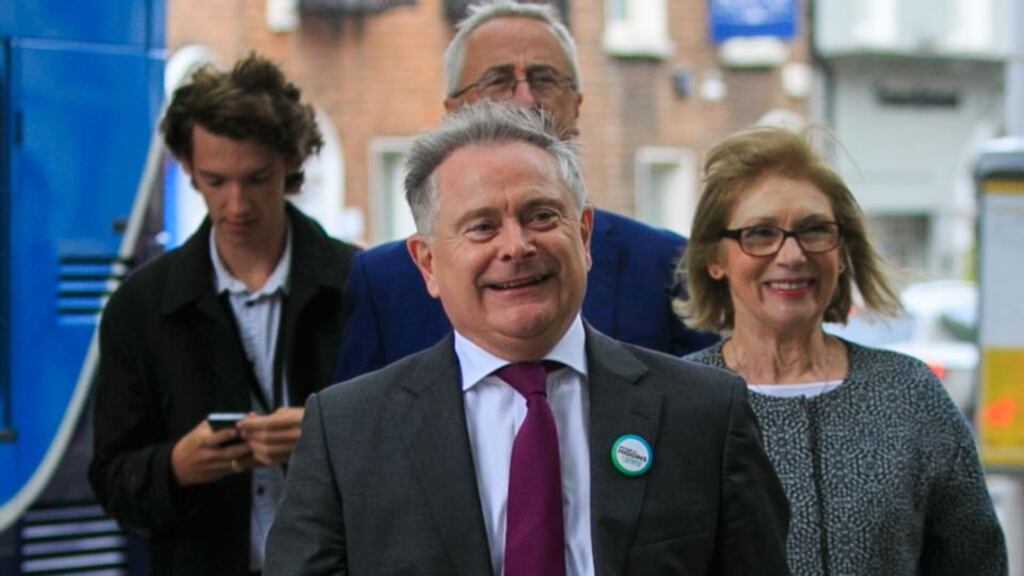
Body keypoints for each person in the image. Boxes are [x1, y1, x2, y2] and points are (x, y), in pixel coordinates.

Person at [264, 101, 790, 576]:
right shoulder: (347, 433)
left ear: (583, 236)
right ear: (427, 263)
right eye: (482, 227)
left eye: (541, 216)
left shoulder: (704, 414)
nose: (516, 246)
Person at [679, 125, 1007, 575]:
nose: (791, 255)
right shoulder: (677, 405)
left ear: (842, 252)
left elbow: (976, 564)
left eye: (814, 230)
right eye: (760, 234)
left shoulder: (909, 397)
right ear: (715, 259)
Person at [333, 0, 715, 383]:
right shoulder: (384, 280)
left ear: (577, 106)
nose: (525, 99)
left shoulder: (663, 263)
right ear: (453, 110)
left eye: (544, 79)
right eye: (499, 81)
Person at [88, 53, 360, 575]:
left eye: (256, 179)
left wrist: (326, 438)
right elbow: (111, 479)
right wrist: (175, 468)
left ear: (290, 162)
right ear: (188, 170)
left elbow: (416, 452)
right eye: (215, 181)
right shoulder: (141, 305)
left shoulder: (359, 286)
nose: (236, 204)